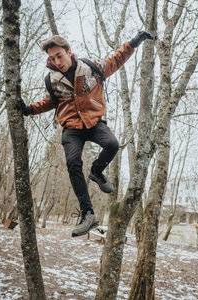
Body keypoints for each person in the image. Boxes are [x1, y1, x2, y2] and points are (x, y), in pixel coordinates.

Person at [20, 31, 154, 237]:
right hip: (71, 128)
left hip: (94, 122)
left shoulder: (92, 68)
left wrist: (134, 42)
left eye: (59, 56)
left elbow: (117, 59)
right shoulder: (52, 80)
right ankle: (88, 214)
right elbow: (49, 102)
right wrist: (29, 109)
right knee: (73, 163)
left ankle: (97, 171)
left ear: (69, 52)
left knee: (112, 144)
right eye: (52, 58)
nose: (57, 61)